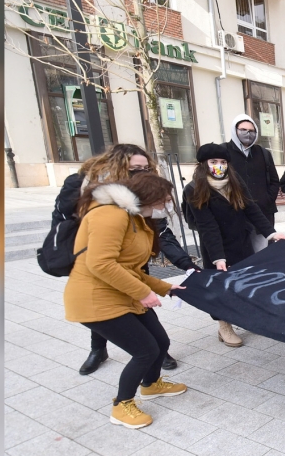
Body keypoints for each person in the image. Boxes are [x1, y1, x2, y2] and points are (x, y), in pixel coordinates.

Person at [52, 144, 197, 376]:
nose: (140, 172)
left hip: (133, 257)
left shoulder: (144, 196)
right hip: (97, 256)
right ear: (118, 166)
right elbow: (68, 225)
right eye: (134, 168)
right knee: (105, 306)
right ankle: (100, 349)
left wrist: (186, 264)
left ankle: (156, 350)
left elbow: (161, 231)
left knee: (140, 302)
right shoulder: (95, 193)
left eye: (145, 167)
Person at [63, 173, 189, 429]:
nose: (165, 204)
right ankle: (122, 405)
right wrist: (143, 293)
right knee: (145, 351)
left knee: (160, 341)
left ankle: (151, 385)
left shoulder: (136, 218)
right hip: (96, 298)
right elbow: (101, 263)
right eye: (162, 199)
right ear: (148, 196)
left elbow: (131, 268)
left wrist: (166, 287)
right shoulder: (111, 215)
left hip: (121, 292)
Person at [183, 143, 285, 347]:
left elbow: (252, 209)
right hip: (215, 246)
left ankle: (246, 316)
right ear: (203, 164)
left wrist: (271, 233)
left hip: (240, 240)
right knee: (220, 286)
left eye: (222, 162)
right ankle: (224, 325)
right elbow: (207, 225)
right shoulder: (194, 189)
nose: (219, 166)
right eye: (213, 162)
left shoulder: (235, 182)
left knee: (244, 281)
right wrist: (218, 257)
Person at [224, 114, 282, 229]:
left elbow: (274, 180)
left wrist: (267, 199)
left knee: (265, 246)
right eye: (243, 130)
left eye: (251, 130)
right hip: (235, 213)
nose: (247, 133)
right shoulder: (223, 151)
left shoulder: (263, 153)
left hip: (263, 211)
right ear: (235, 131)